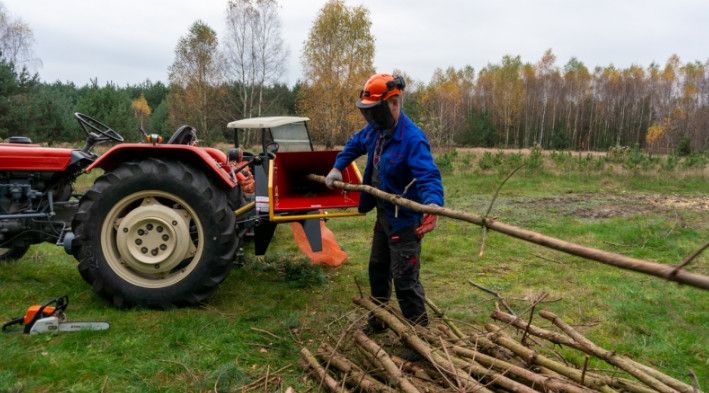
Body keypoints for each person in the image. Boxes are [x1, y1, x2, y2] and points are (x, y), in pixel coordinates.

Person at [325, 73, 444, 331]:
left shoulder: (412, 138)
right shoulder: (375, 131)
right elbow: (354, 144)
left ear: (393, 104)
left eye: (374, 112)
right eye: (367, 113)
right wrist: (338, 167)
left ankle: (419, 335)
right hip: (384, 216)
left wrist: (433, 205)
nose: (370, 119)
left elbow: (429, 176)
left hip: (404, 221)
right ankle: (379, 321)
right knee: (378, 268)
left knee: (405, 280)